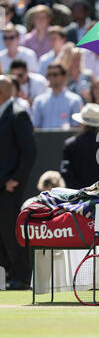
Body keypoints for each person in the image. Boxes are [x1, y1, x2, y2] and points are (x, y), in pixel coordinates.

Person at [0, 75, 36, 290]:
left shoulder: (18, 114)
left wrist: (17, 180)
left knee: (11, 231)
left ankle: (20, 276)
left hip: (9, 186)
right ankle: (3, 274)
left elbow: (29, 152)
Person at [60, 103, 99, 189]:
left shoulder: (71, 144)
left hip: (79, 199)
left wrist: (82, 193)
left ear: (82, 123)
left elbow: (66, 173)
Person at [32, 62, 82, 129]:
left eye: (55, 74)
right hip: (44, 138)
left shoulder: (75, 100)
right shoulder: (39, 101)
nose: (51, 77)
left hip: (66, 138)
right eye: (49, 75)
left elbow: (76, 126)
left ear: (64, 76)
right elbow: (35, 126)